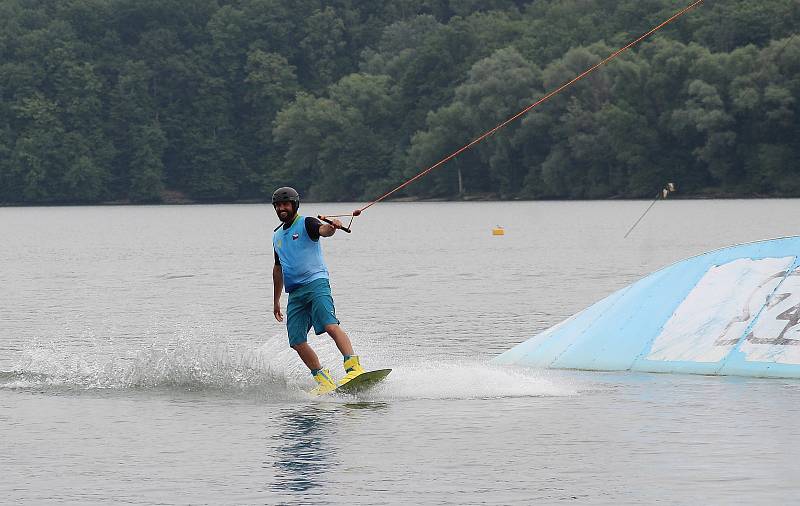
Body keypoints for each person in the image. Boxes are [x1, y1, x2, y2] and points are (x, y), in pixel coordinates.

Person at [271, 186, 365, 394]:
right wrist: (276, 300)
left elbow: (324, 231)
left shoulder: (306, 222)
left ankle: (354, 367)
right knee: (296, 341)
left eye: (285, 204)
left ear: (294, 205)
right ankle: (324, 380)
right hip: (295, 293)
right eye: (278, 205)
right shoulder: (276, 236)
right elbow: (278, 269)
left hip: (316, 283)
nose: (282, 208)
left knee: (330, 326)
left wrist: (333, 226)